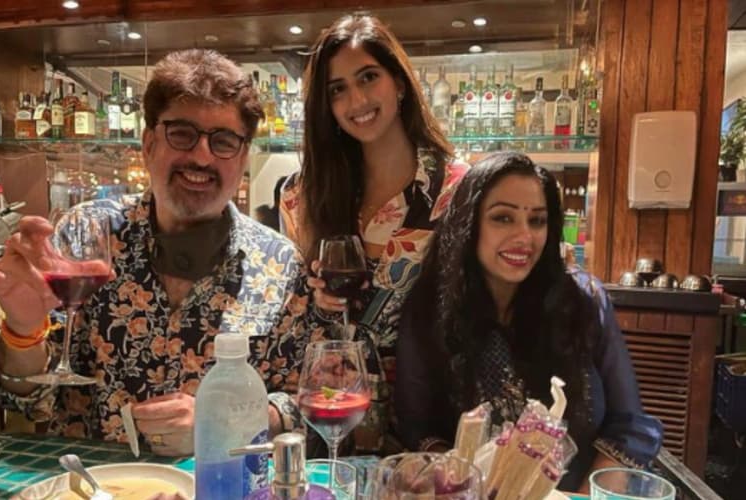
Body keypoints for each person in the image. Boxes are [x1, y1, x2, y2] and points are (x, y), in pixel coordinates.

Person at [0, 49, 309, 456]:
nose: (201, 156)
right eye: (182, 133)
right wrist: (22, 331)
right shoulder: (85, 234)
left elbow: (303, 402)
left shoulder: (281, 264)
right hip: (94, 479)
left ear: (243, 158)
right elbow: (26, 400)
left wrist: (222, 422)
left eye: (223, 141)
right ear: (148, 144)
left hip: (219, 480)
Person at [395, 152, 663, 491]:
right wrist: (455, 481)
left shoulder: (584, 302)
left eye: (537, 221)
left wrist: (585, 497)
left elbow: (629, 426)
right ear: (468, 224)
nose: (525, 237)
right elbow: (417, 428)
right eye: (503, 218)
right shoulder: (429, 310)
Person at [279, 13, 468, 454]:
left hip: (428, 426)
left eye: (368, 77)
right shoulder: (302, 198)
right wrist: (313, 300)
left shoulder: (457, 191)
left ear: (399, 82)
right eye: (337, 89)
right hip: (330, 425)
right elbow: (288, 319)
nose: (357, 100)